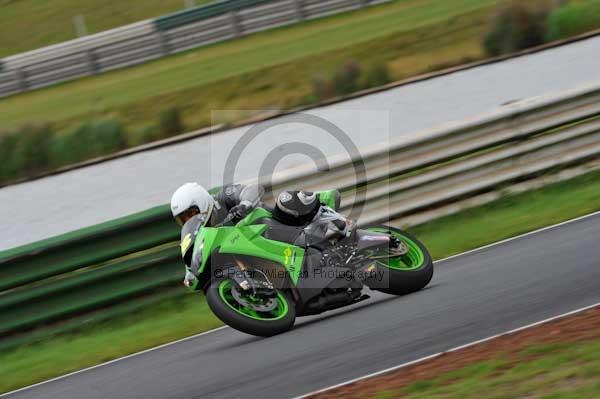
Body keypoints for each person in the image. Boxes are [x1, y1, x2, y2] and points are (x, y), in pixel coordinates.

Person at [170, 182, 339, 287]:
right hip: (252, 253)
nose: (189, 220)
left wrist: (244, 205)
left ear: (201, 203)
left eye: (191, 213)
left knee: (285, 199)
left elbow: (253, 189)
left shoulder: (222, 197)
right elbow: (193, 260)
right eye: (183, 219)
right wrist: (190, 273)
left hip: (272, 226)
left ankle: (326, 213)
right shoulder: (199, 236)